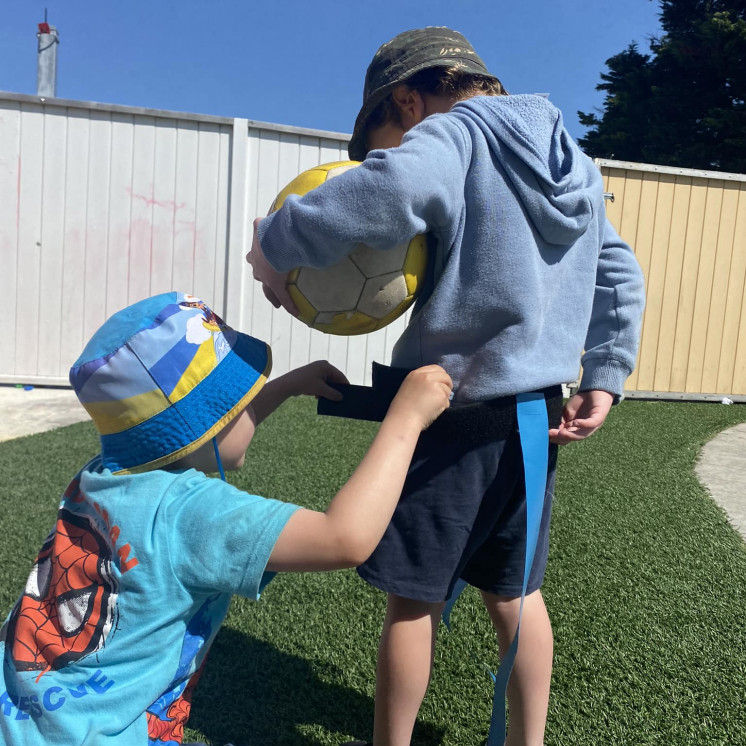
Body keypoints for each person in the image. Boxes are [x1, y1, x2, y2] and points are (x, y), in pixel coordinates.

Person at [247, 26, 645, 746]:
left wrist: (273, 246)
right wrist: (607, 373)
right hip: (534, 422)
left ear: (409, 97)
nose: (386, 155)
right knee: (517, 598)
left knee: (413, 602)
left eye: (383, 137)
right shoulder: (574, 163)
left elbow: (389, 189)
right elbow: (617, 270)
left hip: (451, 409)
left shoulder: (453, 133)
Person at [0, 291, 452, 746]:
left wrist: (287, 385)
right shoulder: (192, 513)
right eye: (238, 402)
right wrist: (406, 419)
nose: (248, 405)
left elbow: (213, 436)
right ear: (204, 428)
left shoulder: (99, 477)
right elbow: (345, 537)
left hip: (22, 709)